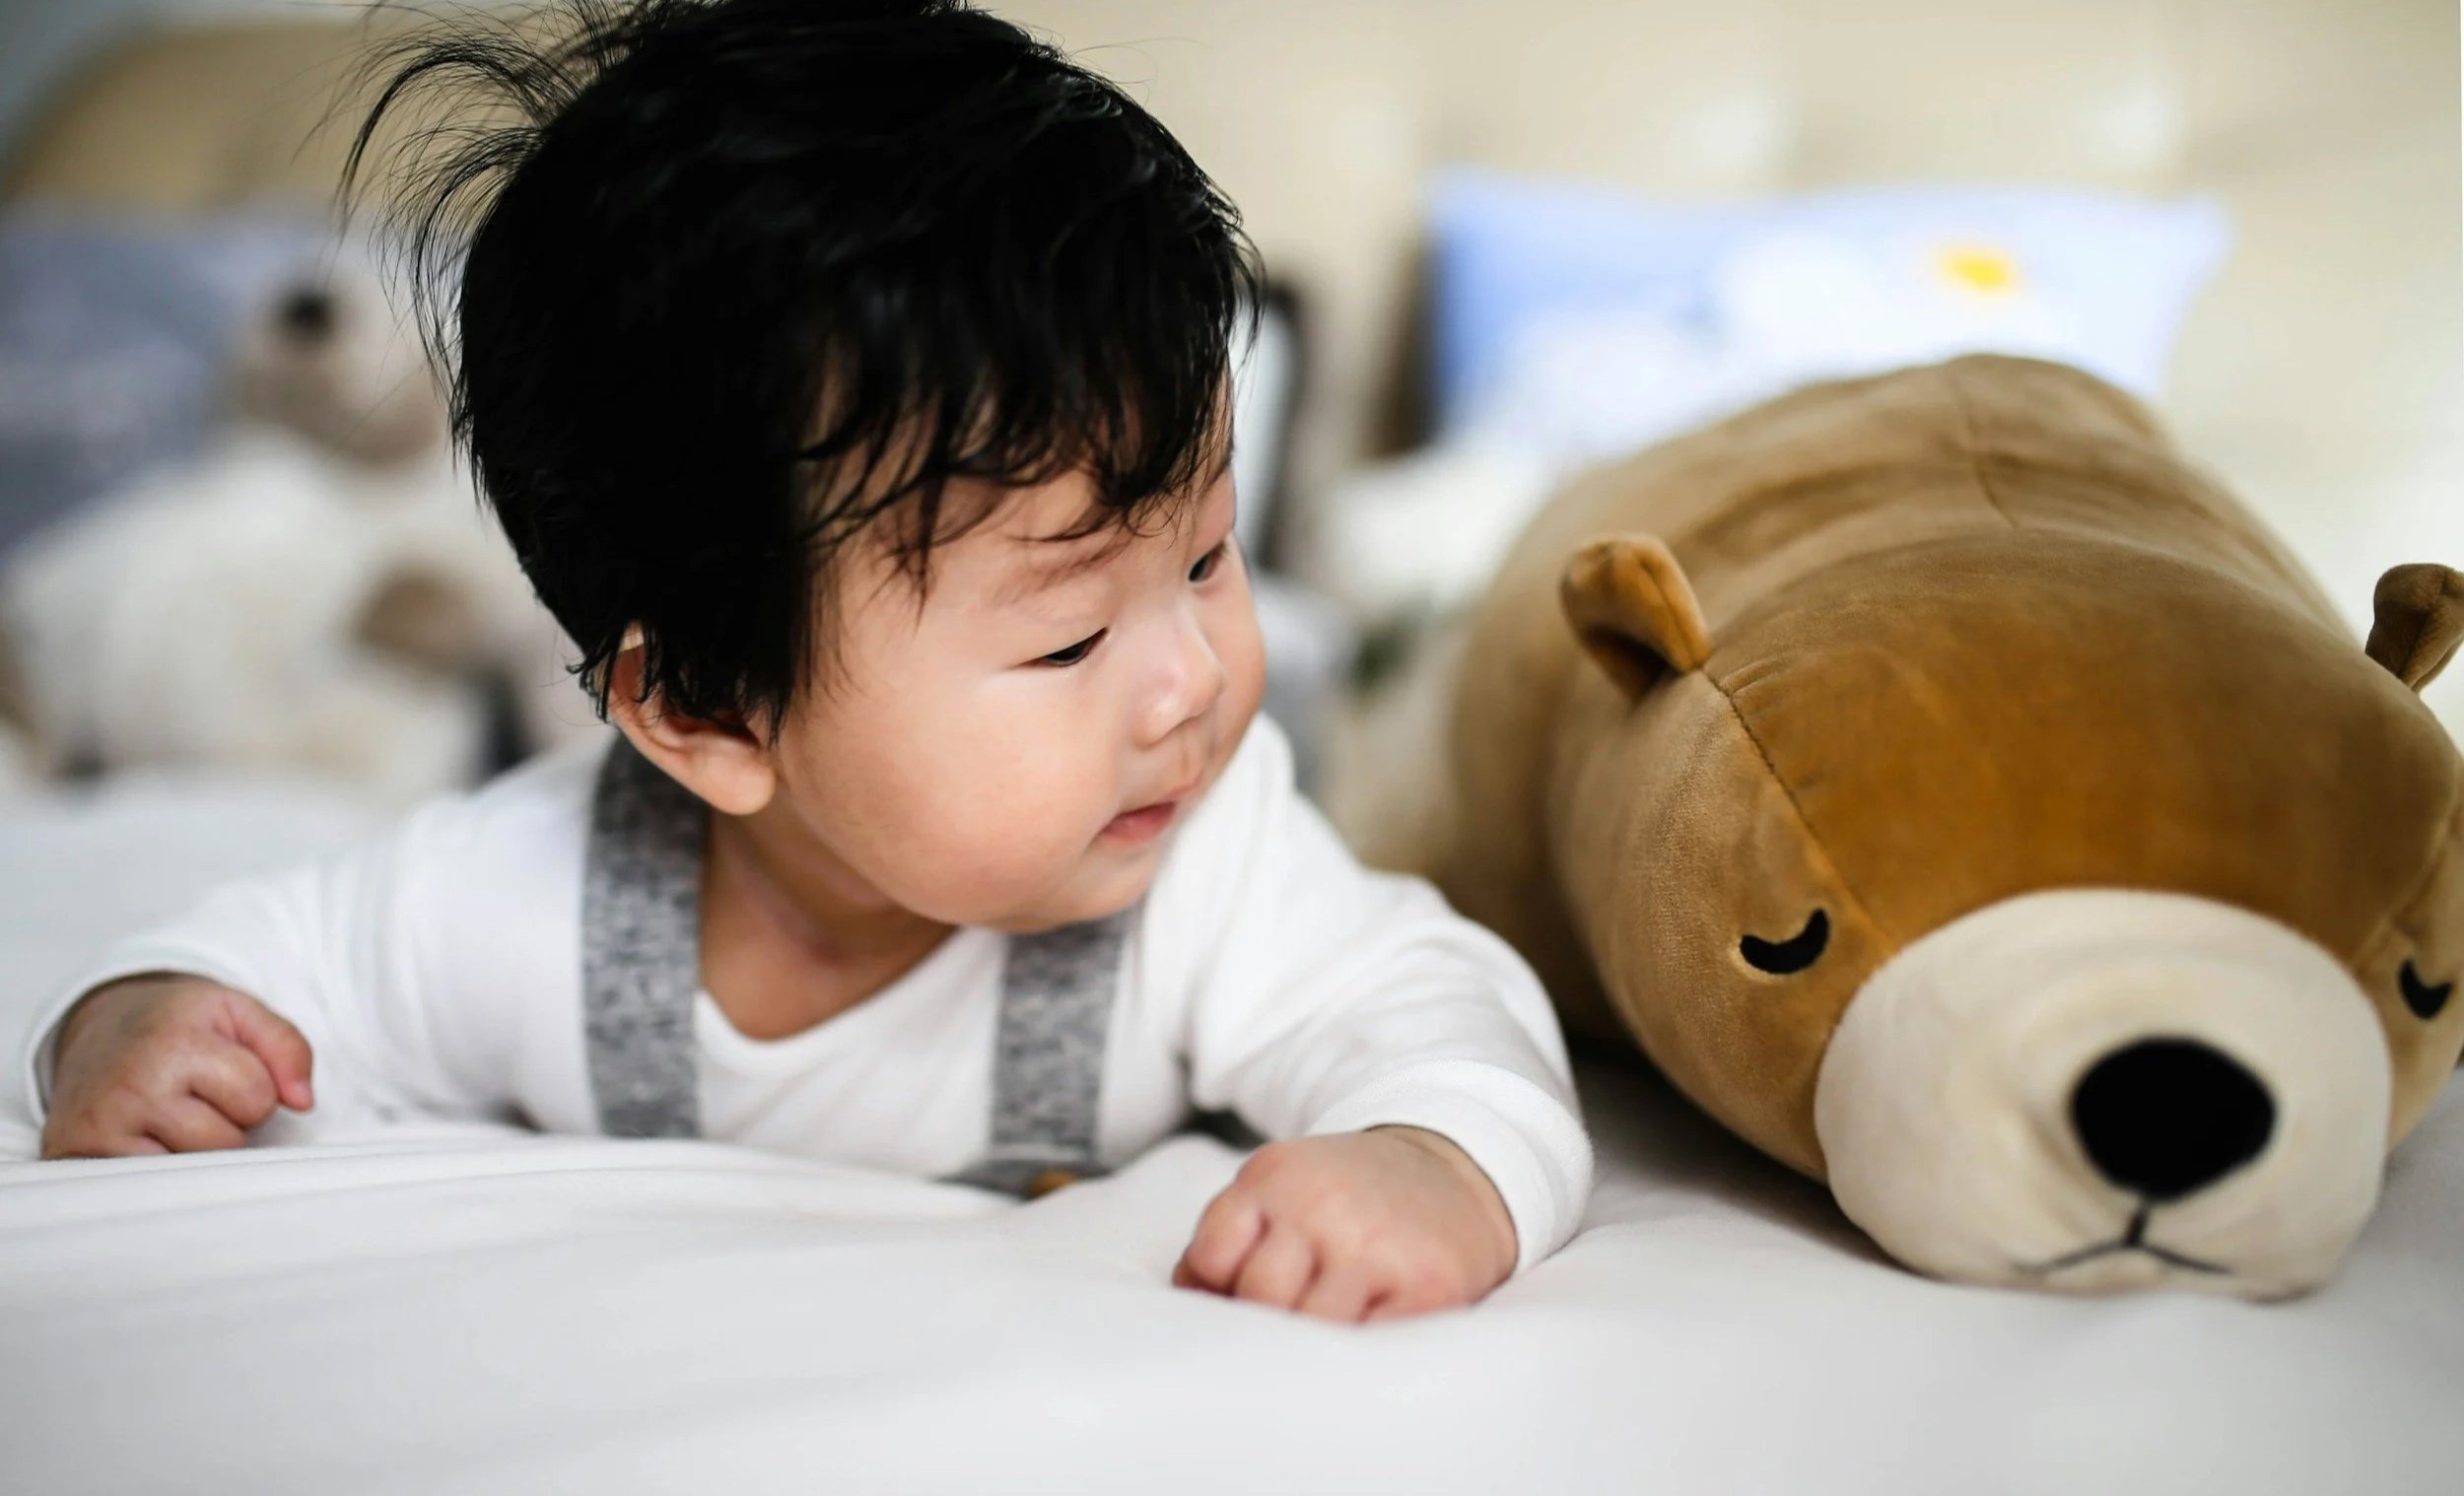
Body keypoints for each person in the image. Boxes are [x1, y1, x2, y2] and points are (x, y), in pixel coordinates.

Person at [21, 0, 1590, 1324]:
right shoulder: (532, 902)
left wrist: (1433, 1158)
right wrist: (136, 1023)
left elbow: (1442, 1013)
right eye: (1066, 634)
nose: (1191, 680)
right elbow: (264, 975)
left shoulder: (1210, 866)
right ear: (703, 706)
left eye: (1207, 555)